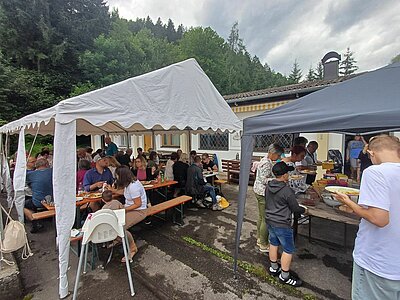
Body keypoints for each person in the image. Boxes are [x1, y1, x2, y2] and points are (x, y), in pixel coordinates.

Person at [335, 135, 400, 300]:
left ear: (371, 153)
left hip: (378, 261)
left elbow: (379, 219)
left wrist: (349, 203)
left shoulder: (375, 172)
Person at [266, 162, 306, 287]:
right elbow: (295, 208)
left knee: (273, 243)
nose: (288, 175)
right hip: (282, 223)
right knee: (288, 249)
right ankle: (285, 276)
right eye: (287, 173)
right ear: (284, 175)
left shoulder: (269, 186)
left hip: (270, 220)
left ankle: (273, 268)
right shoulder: (286, 190)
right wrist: (305, 210)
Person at [253, 144, 284, 253]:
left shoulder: (264, 159)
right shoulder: (266, 163)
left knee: (261, 217)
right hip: (262, 192)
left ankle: (259, 238)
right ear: (273, 153)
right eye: (278, 155)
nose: (279, 158)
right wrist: (277, 180)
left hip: (258, 190)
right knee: (265, 219)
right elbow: (263, 179)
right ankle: (263, 244)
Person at [101, 190, 138, 262]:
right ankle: (120, 241)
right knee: (122, 232)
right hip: (119, 222)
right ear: (112, 197)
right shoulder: (116, 202)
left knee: (122, 232)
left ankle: (131, 247)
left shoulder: (104, 208)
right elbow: (122, 209)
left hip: (112, 226)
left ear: (102, 200)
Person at [113, 166, 147, 230]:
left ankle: (128, 239)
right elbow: (125, 192)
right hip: (130, 207)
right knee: (114, 208)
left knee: (120, 227)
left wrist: (124, 210)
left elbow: (138, 204)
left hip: (139, 211)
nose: (116, 177)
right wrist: (112, 190)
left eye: (117, 175)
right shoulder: (129, 183)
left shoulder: (133, 186)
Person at [25, 158, 53, 233]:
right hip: (54, 201)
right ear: (47, 164)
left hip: (39, 202)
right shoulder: (53, 172)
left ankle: (35, 221)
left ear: (36, 166)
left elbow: (28, 185)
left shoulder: (31, 175)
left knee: (21, 204)